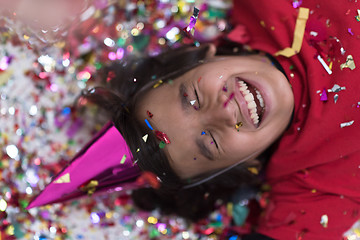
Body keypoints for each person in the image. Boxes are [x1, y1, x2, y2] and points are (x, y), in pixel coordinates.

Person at [83, 0, 360, 239]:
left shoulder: (264, 7)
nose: (224, 112)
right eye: (212, 142)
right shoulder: (310, 181)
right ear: (245, 164)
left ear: (204, 57)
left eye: (193, 98)